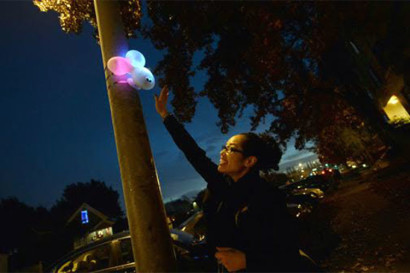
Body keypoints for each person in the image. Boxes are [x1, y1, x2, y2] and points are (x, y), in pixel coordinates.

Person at [155, 86, 304, 272]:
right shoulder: (219, 183)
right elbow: (193, 152)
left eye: (231, 149)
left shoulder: (267, 197)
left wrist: (247, 261)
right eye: (224, 147)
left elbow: (287, 252)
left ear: (249, 161)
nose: (222, 153)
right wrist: (166, 116)